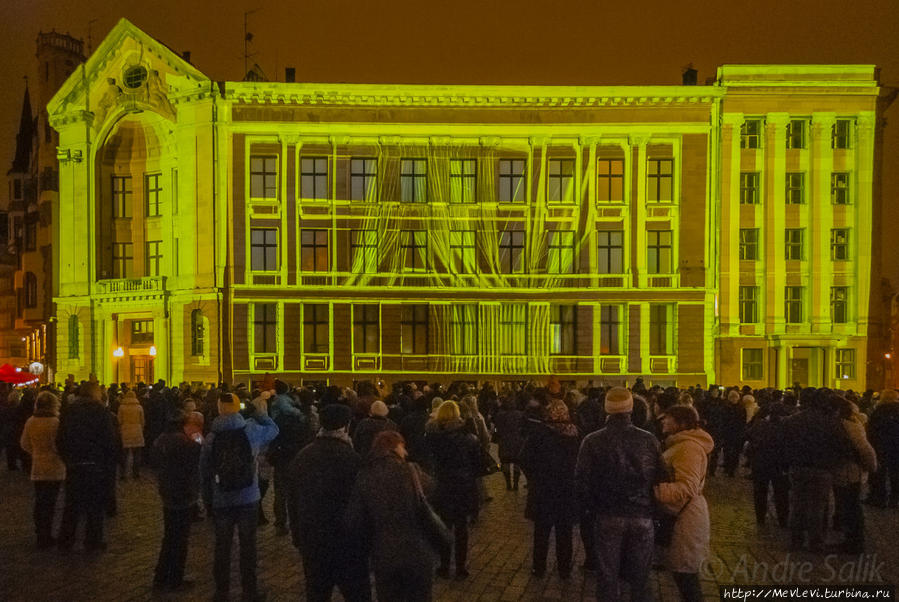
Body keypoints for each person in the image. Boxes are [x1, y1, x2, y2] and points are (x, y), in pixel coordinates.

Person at [576, 387, 663, 602]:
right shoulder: (649, 439)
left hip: (607, 514)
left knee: (607, 576)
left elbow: (581, 481)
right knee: (641, 577)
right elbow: (662, 476)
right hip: (642, 514)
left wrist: (590, 508)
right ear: (630, 409)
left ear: (607, 409)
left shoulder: (592, 440)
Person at [287, 403, 370, 602]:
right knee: (358, 594)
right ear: (346, 426)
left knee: (317, 593)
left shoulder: (303, 456)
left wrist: (298, 535)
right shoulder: (352, 459)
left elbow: (293, 500)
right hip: (347, 543)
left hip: (313, 540)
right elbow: (362, 504)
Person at [201, 391, 279, 602]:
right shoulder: (251, 430)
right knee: (248, 547)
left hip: (222, 498)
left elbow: (205, 473)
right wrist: (258, 413)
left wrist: (208, 501)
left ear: (218, 409)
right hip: (248, 497)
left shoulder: (211, 437)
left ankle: (221, 591)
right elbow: (274, 429)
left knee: (222, 547)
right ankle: (250, 591)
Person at [347, 430, 435, 602]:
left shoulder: (365, 476)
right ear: (394, 448)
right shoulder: (412, 471)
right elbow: (435, 494)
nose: (406, 452)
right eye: (403, 447)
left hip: (384, 553)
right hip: (417, 551)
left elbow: (354, 520)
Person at [781, 388, 852, 553]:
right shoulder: (830, 422)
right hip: (822, 468)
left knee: (798, 504)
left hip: (798, 467)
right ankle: (816, 541)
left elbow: (783, 443)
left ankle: (796, 540)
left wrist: (788, 462)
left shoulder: (794, 420)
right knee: (818, 507)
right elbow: (843, 445)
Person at [655, 405, 714, 602]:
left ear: (681, 423)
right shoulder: (681, 444)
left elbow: (687, 486)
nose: (663, 421)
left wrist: (655, 491)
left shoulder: (688, 448)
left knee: (686, 577)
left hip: (686, 518)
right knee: (682, 575)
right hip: (680, 514)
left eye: (668, 418)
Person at [518, 399, 580, 578]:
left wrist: (533, 478)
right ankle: (564, 568)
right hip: (567, 489)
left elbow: (524, 459)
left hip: (543, 488)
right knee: (564, 531)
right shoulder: (576, 435)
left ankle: (539, 567)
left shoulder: (539, 434)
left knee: (541, 531)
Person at [56, 382, 119, 552]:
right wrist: (107, 462)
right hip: (95, 465)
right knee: (95, 507)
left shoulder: (69, 411)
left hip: (74, 464)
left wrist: (67, 459)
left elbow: (60, 439)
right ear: (95, 394)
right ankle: (93, 542)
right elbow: (109, 440)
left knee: (72, 506)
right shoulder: (100, 411)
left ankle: (66, 541)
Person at [425, 400, 481, 579]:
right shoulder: (467, 437)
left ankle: (444, 565)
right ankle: (460, 566)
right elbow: (476, 462)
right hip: (463, 485)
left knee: (444, 526)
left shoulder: (433, 437)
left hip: (443, 485)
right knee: (462, 527)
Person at [152, 410, 201, 591]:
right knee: (180, 538)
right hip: (182, 493)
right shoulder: (185, 442)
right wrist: (196, 434)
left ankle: (161, 575)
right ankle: (175, 579)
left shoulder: (161, 439)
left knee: (169, 536)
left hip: (167, 491)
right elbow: (199, 451)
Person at [19, 391, 66, 548]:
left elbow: (24, 443)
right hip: (54, 467)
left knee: (40, 502)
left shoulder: (31, 421)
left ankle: (40, 533)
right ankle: (47, 534)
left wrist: (36, 452)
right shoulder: (56, 422)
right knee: (51, 502)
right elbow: (59, 445)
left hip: (38, 466)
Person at [833, 399, 877, 554]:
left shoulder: (850, 425)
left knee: (851, 507)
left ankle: (855, 542)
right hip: (845, 472)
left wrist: (871, 467)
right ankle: (850, 539)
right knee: (847, 506)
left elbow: (864, 448)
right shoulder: (848, 423)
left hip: (850, 472)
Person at [745, 403, 791, 527]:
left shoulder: (760, 424)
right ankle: (783, 519)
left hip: (760, 463)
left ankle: (760, 518)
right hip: (779, 464)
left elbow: (748, 434)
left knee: (760, 492)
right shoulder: (785, 427)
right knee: (781, 494)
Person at [866, 389, 899, 508]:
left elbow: (871, 430)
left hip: (880, 447)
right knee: (895, 473)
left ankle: (878, 497)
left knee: (879, 474)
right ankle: (895, 499)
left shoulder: (879, 411)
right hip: (896, 447)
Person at [493, 396, 525, 491]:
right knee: (517, 464)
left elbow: (496, 428)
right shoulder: (520, 415)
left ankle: (508, 484)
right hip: (517, 442)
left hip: (504, 441)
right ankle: (516, 484)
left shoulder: (499, 415)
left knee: (505, 462)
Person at [117, 390, 145, 479]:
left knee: (124, 455)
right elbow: (142, 421)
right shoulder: (139, 407)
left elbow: (119, 420)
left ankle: (123, 473)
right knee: (137, 455)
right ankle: (136, 473)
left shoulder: (121, 407)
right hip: (137, 431)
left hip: (125, 431)